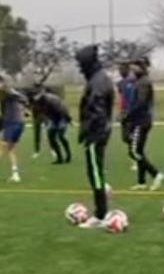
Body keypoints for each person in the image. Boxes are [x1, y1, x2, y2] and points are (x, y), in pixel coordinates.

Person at [75, 45, 116, 228]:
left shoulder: (98, 81)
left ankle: (100, 214)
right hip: (100, 131)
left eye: (80, 63)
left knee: (95, 172)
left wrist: (89, 132)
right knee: (95, 170)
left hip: (97, 134)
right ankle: (104, 192)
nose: (79, 67)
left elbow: (96, 111)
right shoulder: (99, 78)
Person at [125, 58, 164, 190]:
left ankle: (156, 174)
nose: (131, 71)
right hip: (140, 120)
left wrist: (128, 116)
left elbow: (141, 103)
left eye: (134, 68)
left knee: (134, 151)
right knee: (139, 151)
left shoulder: (143, 83)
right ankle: (141, 182)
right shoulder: (140, 82)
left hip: (141, 121)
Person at [33, 88, 73, 164]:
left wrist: (68, 119)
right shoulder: (37, 102)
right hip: (53, 117)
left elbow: (62, 110)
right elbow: (37, 111)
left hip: (62, 116)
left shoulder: (51, 100)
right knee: (51, 136)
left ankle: (68, 156)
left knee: (61, 136)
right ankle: (59, 158)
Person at [116, 62, 138, 171]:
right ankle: (136, 154)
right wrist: (121, 111)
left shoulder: (135, 82)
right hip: (125, 114)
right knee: (125, 138)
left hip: (133, 113)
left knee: (132, 137)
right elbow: (122, 99)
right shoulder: (120, 84)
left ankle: (136, 160)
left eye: (122, 69)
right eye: (119, 70)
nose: (120, 72)